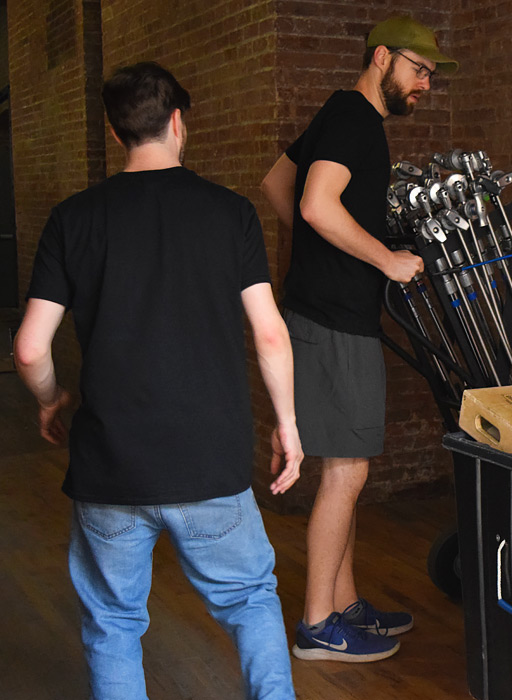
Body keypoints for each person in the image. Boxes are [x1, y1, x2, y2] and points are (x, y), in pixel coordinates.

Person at [13, 62, 303, 699]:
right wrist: (287, 424)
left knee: (114, 620)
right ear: (179, 123)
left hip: (111, 464)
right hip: (211, 460)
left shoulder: (72, 218)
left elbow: (31, 345)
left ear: (118, 137)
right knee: (251, 599)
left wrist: (50, 399)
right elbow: (271, 334)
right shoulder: (231, 214)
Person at [260, 16, 457, 663]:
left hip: (324, 313)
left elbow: (276, 183)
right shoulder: (355, 120)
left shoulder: (342, 114)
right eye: (419, 69)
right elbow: (315, 203)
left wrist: (328, 254)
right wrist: (382, 260)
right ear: (382, 58)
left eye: (430, 74)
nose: (425, 83)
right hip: (336, 321)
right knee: (347, 471)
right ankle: (319, 625)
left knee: (345, 465)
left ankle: (343, 606)